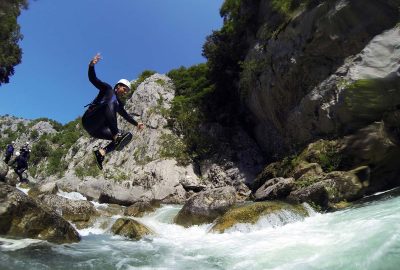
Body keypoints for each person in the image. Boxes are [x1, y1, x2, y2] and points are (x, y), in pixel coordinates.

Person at [82, 53, 144, 170]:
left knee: (127, 135)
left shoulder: (119, 104)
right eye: (124, 89)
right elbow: (93, 79)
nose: (125, 92)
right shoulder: (108, 89)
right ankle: (116, 135)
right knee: (112, 102)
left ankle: (102, 152)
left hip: (97, 130)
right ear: (118, 86)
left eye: (127, 91)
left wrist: (137, 124)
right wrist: (91, 65)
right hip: (89, 120)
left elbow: (126, 116)